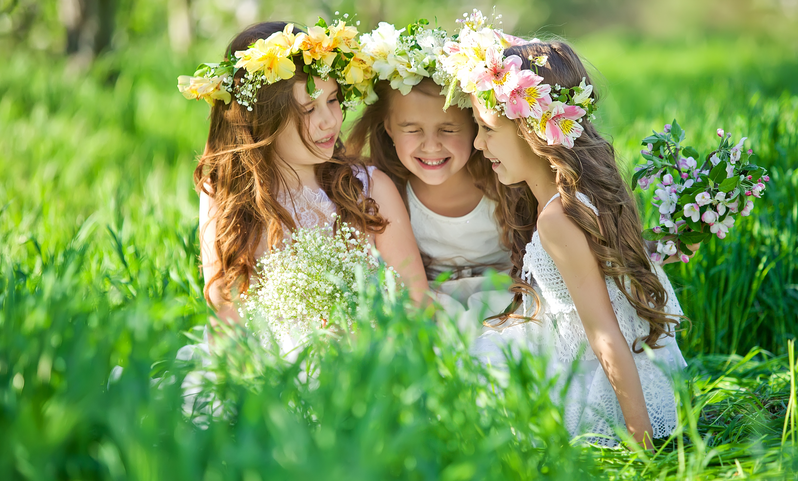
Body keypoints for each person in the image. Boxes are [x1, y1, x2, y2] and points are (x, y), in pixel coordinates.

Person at [443, 22, 686, 447]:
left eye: (487, 129)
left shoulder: (558, 218)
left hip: (587, 375)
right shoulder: (579, 195)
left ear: (532, 131)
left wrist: (641, 442)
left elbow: (604, 331)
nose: (479, 145)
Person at [178, 20, 428, 336]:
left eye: (333, 100)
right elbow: (226, 313)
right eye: (308, 110)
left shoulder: (371, 189)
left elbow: (416, 302)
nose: (329, 121)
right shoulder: (223, 194)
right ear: (262, 121)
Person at [347, 21, 523, 334]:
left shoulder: (506, 178)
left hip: (510, 306)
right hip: (432, 311)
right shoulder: (385, 190)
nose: (431, 146)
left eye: (448, 130)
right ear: (388, 127)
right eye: (412, 130)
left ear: (475, 125)